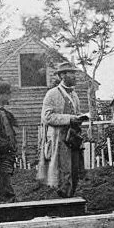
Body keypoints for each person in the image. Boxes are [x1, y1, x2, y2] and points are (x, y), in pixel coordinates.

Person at [37, 61, 89, 198]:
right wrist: (69, 119)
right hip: (59, 138)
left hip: (73, 138)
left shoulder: (75, 95)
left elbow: (76, 114)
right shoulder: (52, 94)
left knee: (75, 170)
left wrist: (79, 119)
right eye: (72, 73)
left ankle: (71, 197)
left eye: (75, 73)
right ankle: (63, 200)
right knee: (63, 171)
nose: (75, 76)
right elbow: (47, 117)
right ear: (63, 76)